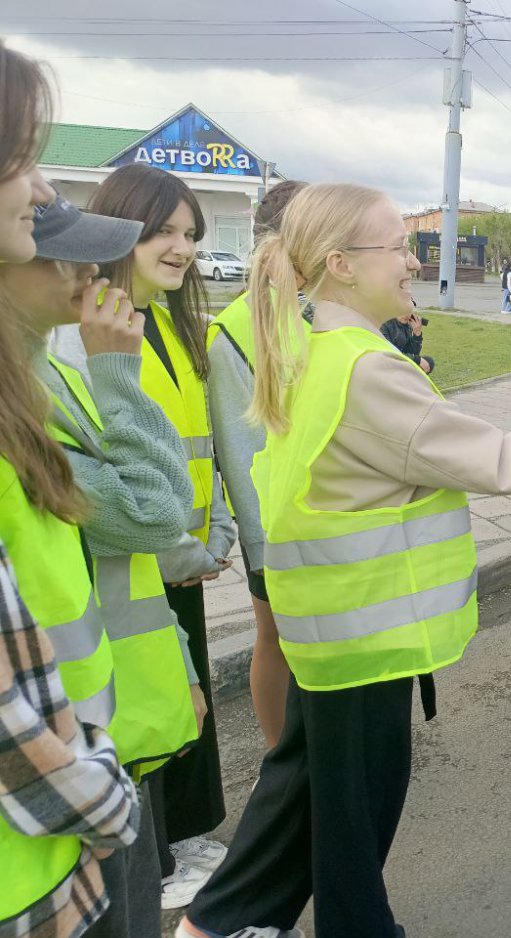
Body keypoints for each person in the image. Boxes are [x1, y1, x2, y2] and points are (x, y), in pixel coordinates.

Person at [175, 182, 511, 938]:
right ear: (341, 264)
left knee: (306, 792)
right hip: (364, 636)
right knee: (352, 813)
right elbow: (494, 458)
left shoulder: (319, 346)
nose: (412, 262)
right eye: (395, 247)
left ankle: (216, 924)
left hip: (331, 627)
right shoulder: (364, 367)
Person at [6, 193, 213, 937]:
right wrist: (119, 375)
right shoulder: (34, 393)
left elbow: (123, 562)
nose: (91, 268)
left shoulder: (47, 378)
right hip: (75, 760)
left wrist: (182, 659)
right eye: (58, 248)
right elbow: (154, 517)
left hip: (114, 722)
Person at [0, 39, 141, 938]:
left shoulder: (35, 378)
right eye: (21, 159)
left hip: (63, 825)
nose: (47, 192)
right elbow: (154, 512)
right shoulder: (80, 371)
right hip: (53, 834)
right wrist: (105, 800)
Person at [69, 164, 237, 909]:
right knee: (147, 716)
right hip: (141, 558)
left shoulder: (167, 322)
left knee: (183, 706)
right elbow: (117, 459)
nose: (182, 248)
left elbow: (204, 444)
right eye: (164, 230)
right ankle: (161, 864)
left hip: (187, 555)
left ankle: (181, 841)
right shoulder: (88, 337)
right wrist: (181, 548)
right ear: (119, 228)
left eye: (191, 234)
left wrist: (219, 533)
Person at [205, 178, 308, 750]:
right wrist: (265, 544)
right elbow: (241, 455)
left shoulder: (325, 312)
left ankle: (321, 748)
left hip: (336, 515)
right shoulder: (234, 332)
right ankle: (280, 755)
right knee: (274, 636)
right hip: (278, 524)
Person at [380, 307, 434, 374]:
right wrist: (416, 359)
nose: (406, 315)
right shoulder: (384, 325)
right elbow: (388, 353)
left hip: (400, 360)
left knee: (429, 362)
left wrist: (417, 335)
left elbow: (412, 352)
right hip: (386, 362)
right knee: (420, 362)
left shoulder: (406, 325)